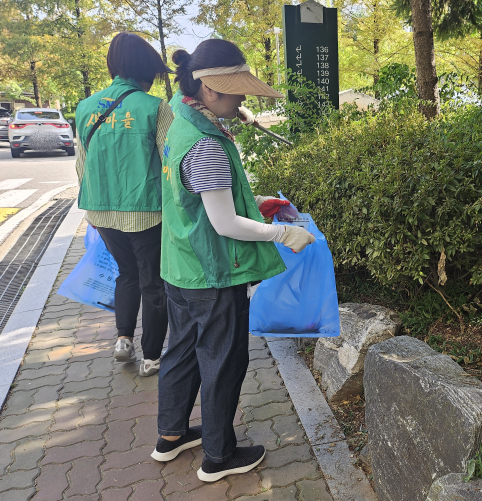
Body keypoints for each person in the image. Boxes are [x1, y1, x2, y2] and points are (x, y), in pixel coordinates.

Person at [150, 39, 315, 482]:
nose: (243, 98)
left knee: (181, 351)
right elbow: (224, 223)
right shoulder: (206, 145)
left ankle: (171, 436)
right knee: (223, 360)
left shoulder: (181, 118)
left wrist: (255, 200)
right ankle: (219, 457)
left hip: (179, 265)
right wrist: (283, 232)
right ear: (207, 90)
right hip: (211, 272)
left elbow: (203, 199)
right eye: (236, 91)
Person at [75, 32, 172, 377]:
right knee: (153, 282)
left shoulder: (86, 107)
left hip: (101, 210)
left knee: (126, 274)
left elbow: (81, 166)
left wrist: (92, 213)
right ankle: (152, 357)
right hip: (146, 212)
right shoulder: (155, 107)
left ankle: (123, 340)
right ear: (146, 69)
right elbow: (170, 164)